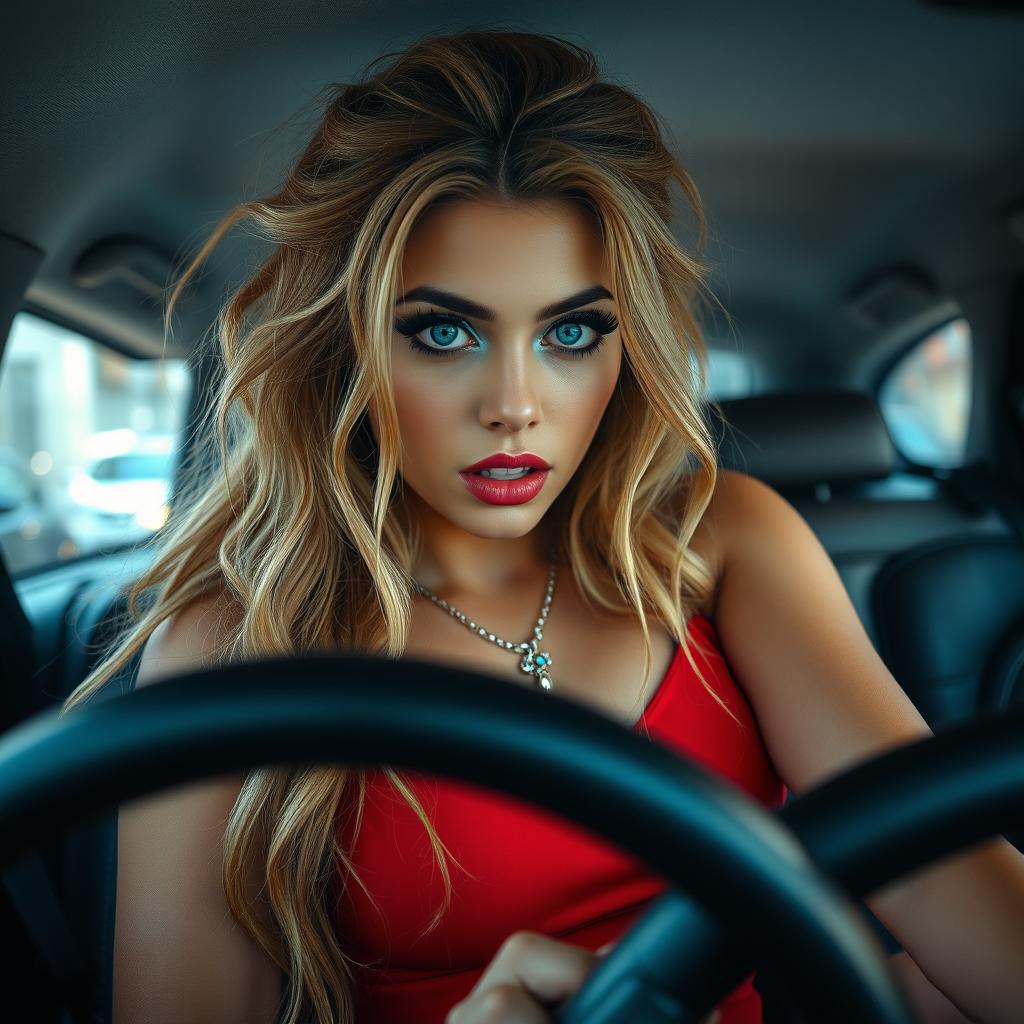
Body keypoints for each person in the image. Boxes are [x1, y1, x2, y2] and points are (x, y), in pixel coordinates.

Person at [61, 28, 1024, 1024]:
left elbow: (941, 873)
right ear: (346, 342)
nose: (515, 403)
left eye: (570, 331)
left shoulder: (720, 540)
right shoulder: (232, 643)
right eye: (444, 330)